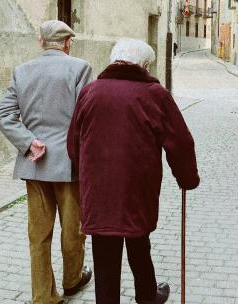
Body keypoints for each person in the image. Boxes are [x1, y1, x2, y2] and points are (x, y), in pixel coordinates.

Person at [67, 39, 200, 304]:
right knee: (139, 243)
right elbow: (180, 141)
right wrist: (187, 177)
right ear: (144, 65)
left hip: (99, 191)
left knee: (104, 252)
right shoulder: (155, 94)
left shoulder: (90, 92)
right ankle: (147, 296)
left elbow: (74, 142)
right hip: (137, 188)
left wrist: (84, 173)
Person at [0, 20, 93, 304]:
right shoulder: (80, 68)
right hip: (69, 166)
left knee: (38, 234)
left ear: (40, 42)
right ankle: (72, 279)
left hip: (35, 164)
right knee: (73, 229)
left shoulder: (22, 71)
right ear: (67, 43)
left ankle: (44, 296)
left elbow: (2, 115)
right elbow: (87, 117)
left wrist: (28, 141)